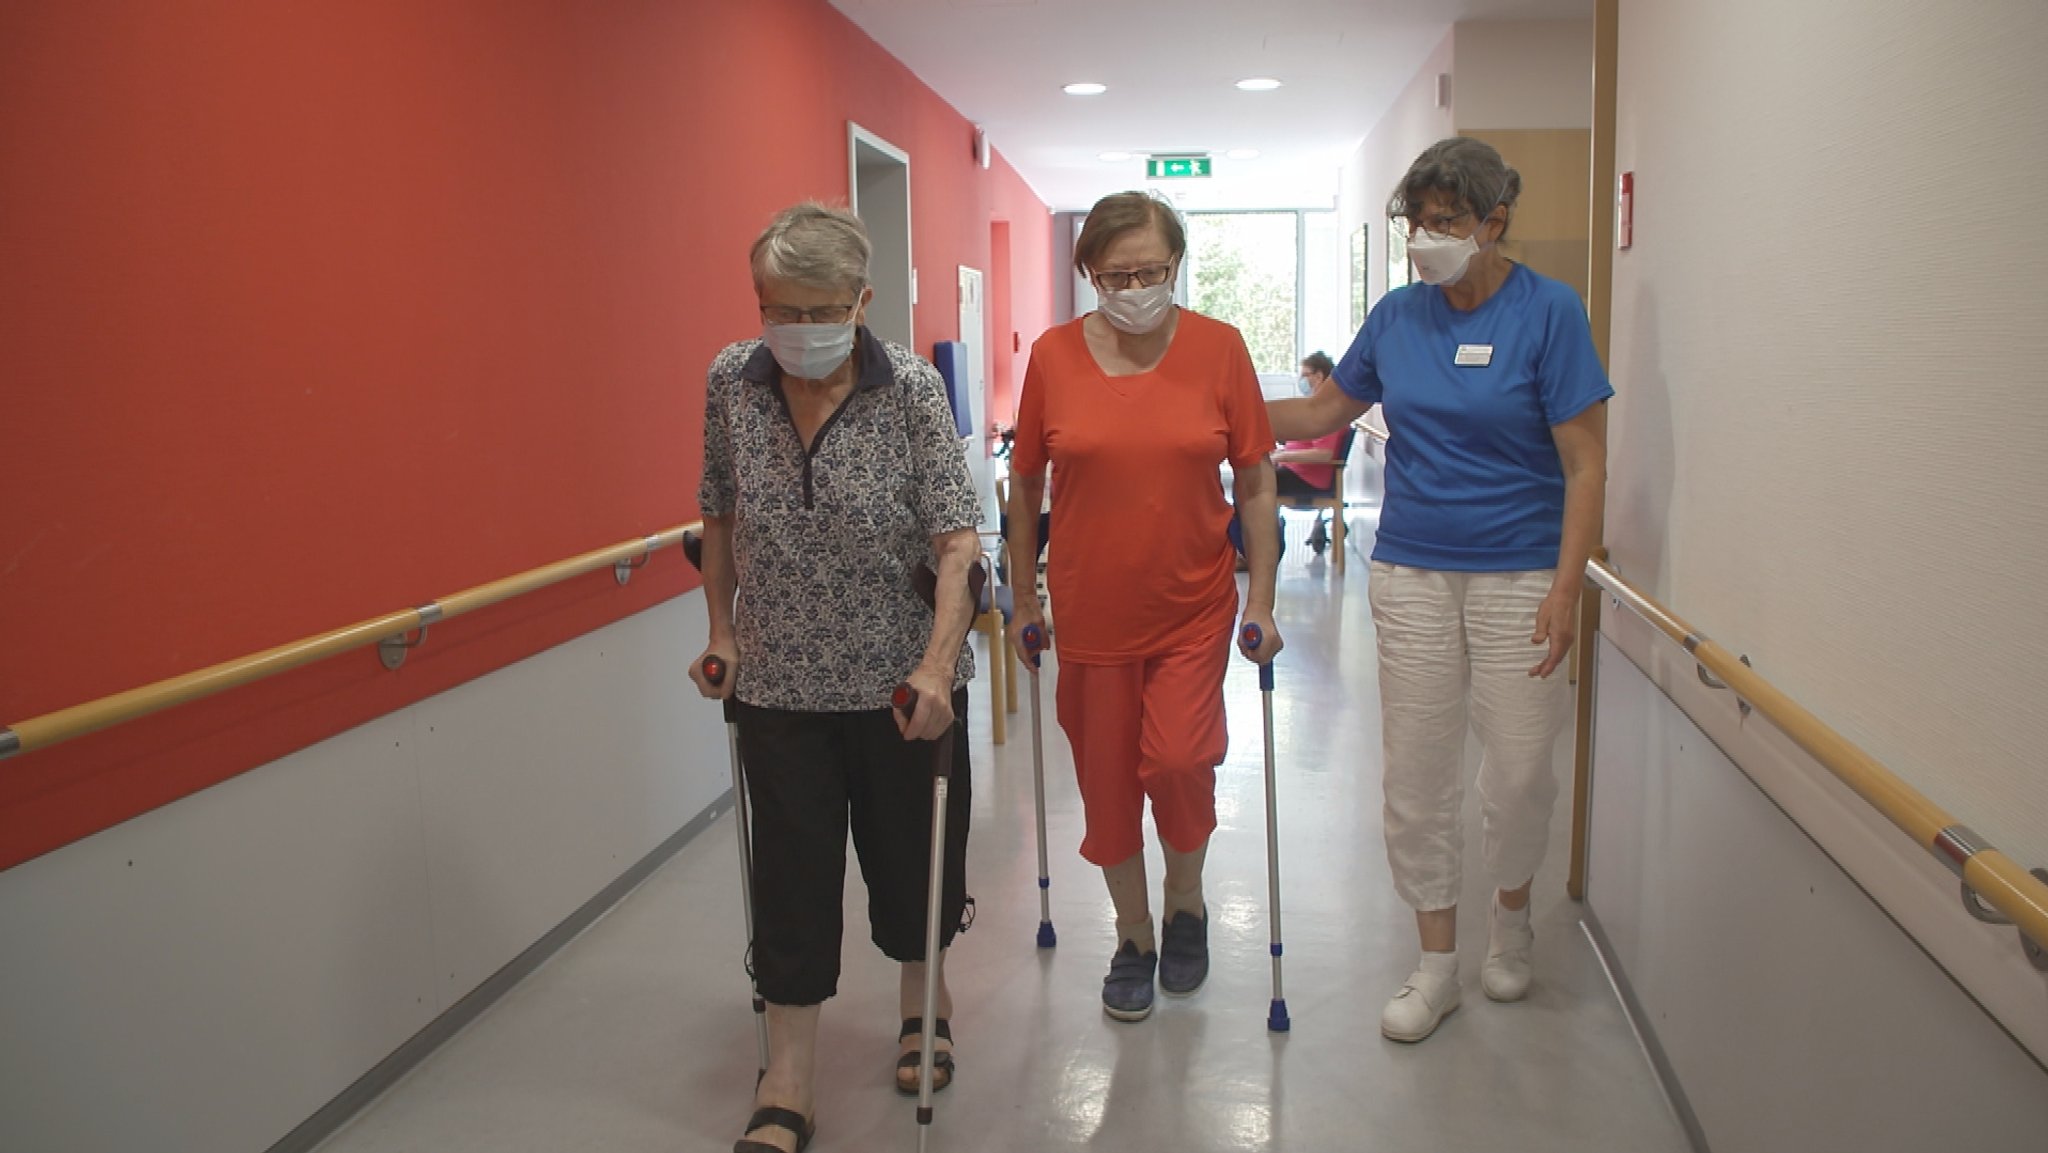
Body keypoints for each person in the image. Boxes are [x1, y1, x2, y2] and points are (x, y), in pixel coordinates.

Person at [1269, 137, 1611, 1044]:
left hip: (1524, 573)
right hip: (1414, 571)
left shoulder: (1551, 312)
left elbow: (1585, 462)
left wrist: (1568, 584)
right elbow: (1316, 414)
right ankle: (1435, 963)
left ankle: (1511, 914)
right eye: (1417, 221)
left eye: (1447, 222)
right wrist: (1201, 394)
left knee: (1523, 773)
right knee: (1418, 774)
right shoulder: (1397, 316)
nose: (1427, 238)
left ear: (1495, 223)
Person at [693, 202, 983, 1153]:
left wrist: (938, 663)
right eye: (776, 307)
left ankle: (922, 998)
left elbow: (955, 541)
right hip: (779, 684)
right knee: (791, 878)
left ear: (861, 301)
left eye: (816, 309)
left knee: (912, 865)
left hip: (904, 681)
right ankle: (789, 1077)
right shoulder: (732, 382)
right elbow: (719, 517)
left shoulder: (909, 390)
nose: (794, 328)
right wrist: (723, 630)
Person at [1005, 190, 1283, 1024]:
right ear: (1089, 272)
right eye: (1115, 273)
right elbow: (1024, 486)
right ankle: (1133, 935)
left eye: (1151, 270)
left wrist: (1261, 595)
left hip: (1192, 605)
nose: (1133, 286)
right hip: (1090, 614)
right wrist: (1025, 595)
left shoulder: (1219, 349)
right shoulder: (1054, 357)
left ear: (1176, 264)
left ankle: (1185, 904)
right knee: (1109, 789)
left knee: (1178, 760)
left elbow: (1259, 476)